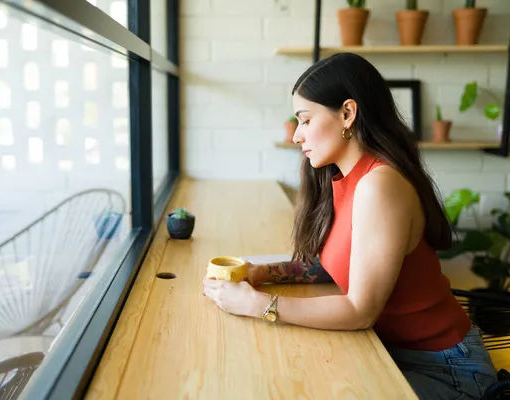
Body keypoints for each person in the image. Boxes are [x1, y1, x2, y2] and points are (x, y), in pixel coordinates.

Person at [202, 52, 499, 400]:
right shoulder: (346, 178)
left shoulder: (379, 184)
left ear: (347, 113)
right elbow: (332, 265)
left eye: (306, 120)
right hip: (392, 352)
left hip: (445, 370)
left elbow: (361, 310)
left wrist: (258, 305)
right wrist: (260, 272)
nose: (297, 135)